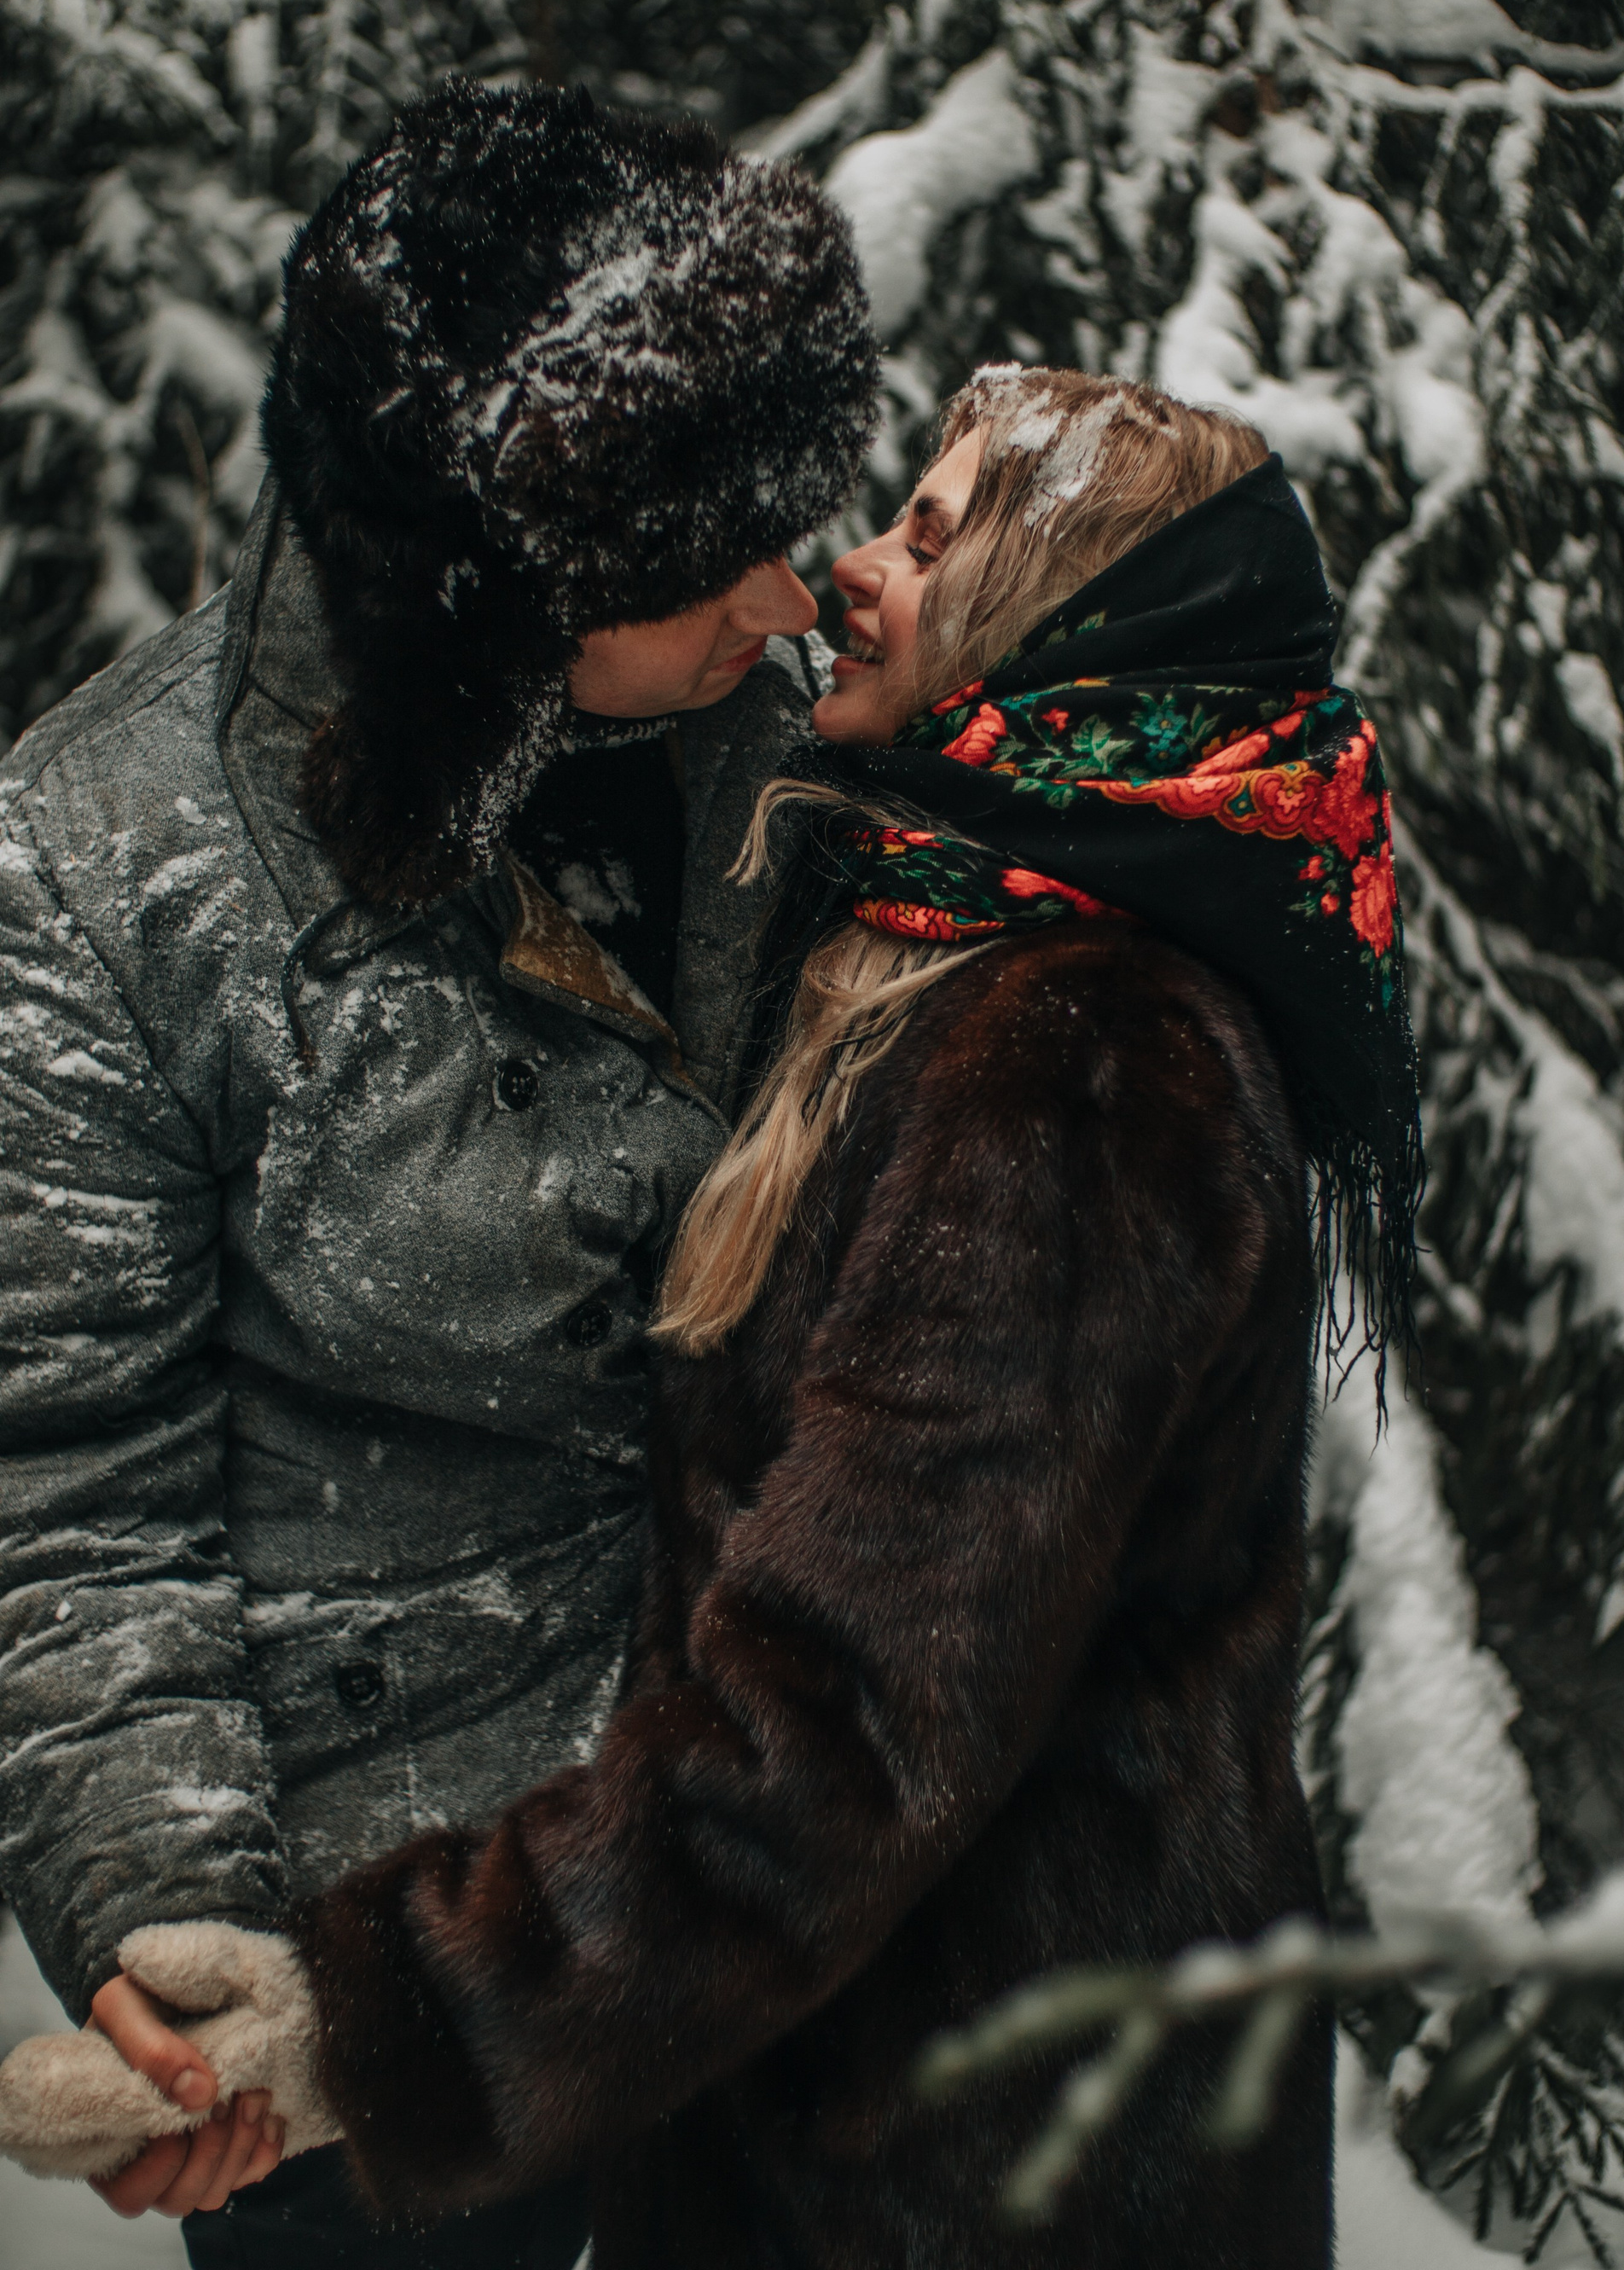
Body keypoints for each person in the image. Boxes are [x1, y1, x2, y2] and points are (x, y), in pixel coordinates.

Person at [4, 368, 1424, 2265]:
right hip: (874, 2086)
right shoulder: (944, 919)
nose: (844, 575)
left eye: (933, 537)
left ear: (1059, 631)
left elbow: (839, 1726)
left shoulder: (1078, 1069)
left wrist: (377, 2031)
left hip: (989, 2155)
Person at [0, 75, 878, 2266]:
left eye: (794, 522)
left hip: (774, 1863)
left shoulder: (805, 738)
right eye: (708, 562)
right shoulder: (104, 869)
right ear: (496, 597)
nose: (792, 595)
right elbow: (72, 1485)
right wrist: (183, 1927)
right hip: (392, 1960)